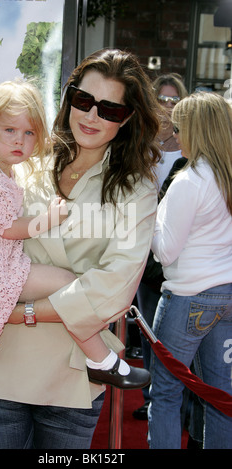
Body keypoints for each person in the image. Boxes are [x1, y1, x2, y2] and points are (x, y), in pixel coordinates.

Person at [0, 48, 160, 449]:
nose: (91, 116)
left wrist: (19, 314)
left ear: (128, 118)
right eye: (83, 101)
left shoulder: (136, 187)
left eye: (109, 110)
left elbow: (115, 288)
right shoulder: (24, 156)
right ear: (69, 98)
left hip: (70, 378)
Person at [0, 80, 140, 387]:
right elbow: (7, 230)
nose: (20, 141)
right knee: (69, 285)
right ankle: (103, 360)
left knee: (67, 288)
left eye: (29, 133)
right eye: (10, 131)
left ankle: (102, 360)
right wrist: (48, 219)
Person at [148, 91, 232, 449]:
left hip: (188, 296)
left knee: (165, 394)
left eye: (179, 128)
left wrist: (146, 217)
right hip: (226, 295)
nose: (175, 137)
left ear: (196, 131)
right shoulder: (224, 176)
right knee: (220, 396)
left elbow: (165, 252)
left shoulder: (189, 181)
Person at [133, 73, 188, 420]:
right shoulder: (141, 146)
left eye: (173, 100)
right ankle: (152, 397)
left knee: (176, 336)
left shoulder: (190, 150)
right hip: (144, 252)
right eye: (162, 98)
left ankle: (175, 401)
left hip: (178, 255)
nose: (167, 105)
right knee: (148, 328)